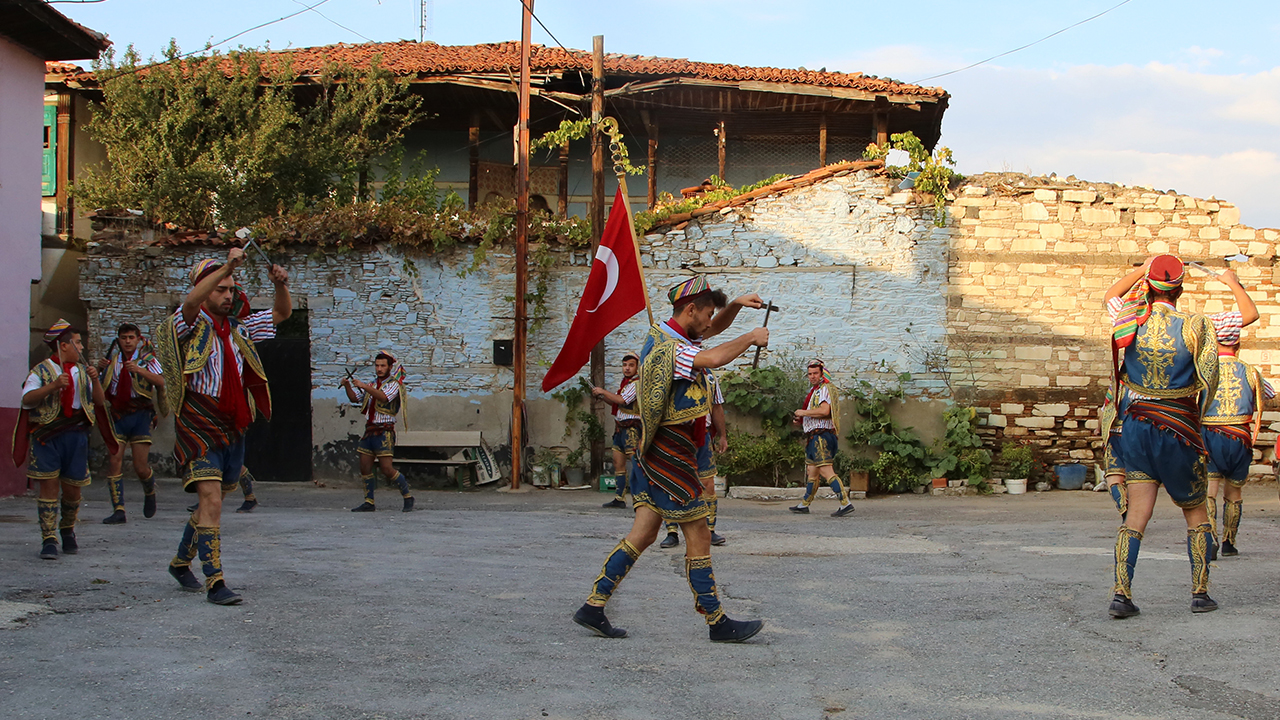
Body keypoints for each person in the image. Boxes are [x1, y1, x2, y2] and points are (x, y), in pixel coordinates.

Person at [572, 277, 767, 642]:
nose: (711, 322)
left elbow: (710, 333)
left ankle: (593, 606)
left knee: (643, 534)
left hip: (660, 454)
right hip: (669, 458)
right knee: (699, 534)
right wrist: (749, 338)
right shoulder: (668, 350)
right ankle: (717, 622)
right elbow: (714, 356)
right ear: (689, 310)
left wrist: (736, 305)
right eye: (707, 313)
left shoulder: (678, 336)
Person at [155, 249, 290, 605]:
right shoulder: (187, 323)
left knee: (212, 503)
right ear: (205, 288)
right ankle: (215, 582)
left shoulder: (239, 329)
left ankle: (180, 562)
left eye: (232, 288)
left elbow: (281, 313)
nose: (228, 294)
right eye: (221, 288)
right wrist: (227, 266)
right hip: (197, 422)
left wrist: (281, 286)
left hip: (231, 424)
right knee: (211, 499)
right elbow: (189, 302)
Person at [1102, 254, 1219, 618]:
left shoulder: (1129, 319)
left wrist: (1142, 269)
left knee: (1136, 514)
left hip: (1137, 426)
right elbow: (1210, 376)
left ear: (1149, 287)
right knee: (1195, 511)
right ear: (1180, 289)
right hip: (1178, 427)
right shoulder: (1196, 324)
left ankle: (1122, 594)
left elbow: (1110, 294)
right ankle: (1200, 593)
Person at [16, 320, 114, 559]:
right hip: (47, 437)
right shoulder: (41, 370)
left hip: (76, 436)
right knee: (49, 487)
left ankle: (68, 530)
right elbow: (27, 399)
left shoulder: (82, 371)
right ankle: (48, 538)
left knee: (73, 490)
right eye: (77, 343)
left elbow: (99, 402)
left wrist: (95, 380)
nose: (81, 347)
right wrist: (53, 386)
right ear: (64, 346)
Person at [1201, 279, 1270, 558]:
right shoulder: (1251, 371)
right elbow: (1266, 396)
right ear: (1237, 342)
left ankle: (1212, 538)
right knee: (1235, 493)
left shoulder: (1204, 371)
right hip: (1240, 437)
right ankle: (1230, 541)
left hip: (1211, 436)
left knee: (1209, 491)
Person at [98, 323, 165, 524]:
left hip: (140, 414)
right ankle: (119, 509)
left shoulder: (147, 359)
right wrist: (97, 369)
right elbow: (101, 386)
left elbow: (161, 382)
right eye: (124, 338)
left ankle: (149, 488)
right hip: (118, 414)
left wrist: (139, 371)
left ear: (138, 339)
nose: (127, 341)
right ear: (118, 340)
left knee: (140, 466)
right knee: (114, 460)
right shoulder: (111, 361)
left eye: (131, 338)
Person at [659, 370, 727, 548]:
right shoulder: (673, 371)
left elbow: (717, 406)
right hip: (677, 434)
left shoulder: (710, 377)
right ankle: (672, 532)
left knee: (708, 484)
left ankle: (709, 530)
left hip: (702, 437)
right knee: (672, 483)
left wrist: (722, 435)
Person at [342, 352, 414, 513]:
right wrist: (348, 385)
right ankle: (369, 501)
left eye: (383, 366)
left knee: (387, 469)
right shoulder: (372, 383)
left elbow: (383, 397)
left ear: (389, 367)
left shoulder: (394, 384)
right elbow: (355, 399)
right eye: (377, 365)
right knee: (365, 467)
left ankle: (408, 496)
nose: (379, 369)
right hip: (370, 430)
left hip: (384, 431)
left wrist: (364, 386)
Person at [789, 360, 855, 517]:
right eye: (810, 374)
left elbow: (825, 411)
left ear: (822, 373)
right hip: (814, 436)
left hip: (821, 436)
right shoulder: (815, 391)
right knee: (812, 472)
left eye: (815, 373)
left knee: (826, 471)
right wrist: (801, 420)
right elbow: (816, 414)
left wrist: (803, 413)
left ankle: (846, 503)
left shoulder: (825, 389)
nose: (812, 377)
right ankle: (804, 504)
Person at [593, 353, 641, 509]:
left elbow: (622, 400)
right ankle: (619, 498)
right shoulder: (625, 383)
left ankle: (639, 498)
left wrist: (603, 391)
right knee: (617, 462)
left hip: (632, 428)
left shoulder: (636, 383)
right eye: (625, 365)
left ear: (637, 367)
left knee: (636, 463)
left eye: (631, 365)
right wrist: (602, 396)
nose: (627, 368)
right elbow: (615, 402)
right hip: (620, 427)